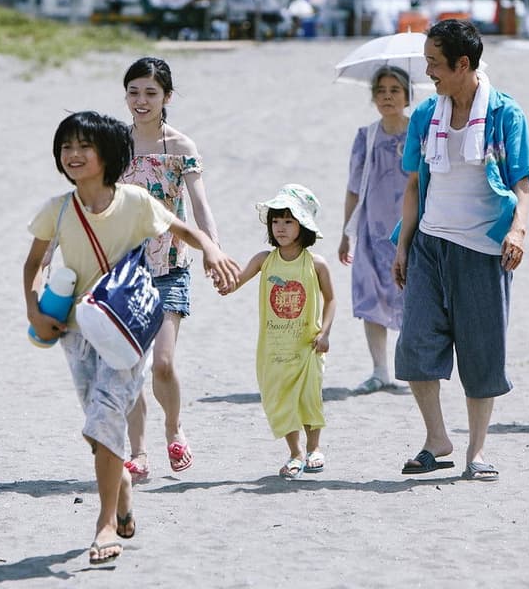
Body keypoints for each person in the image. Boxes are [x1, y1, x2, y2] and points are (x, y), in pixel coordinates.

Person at [22, 111, 238, 565]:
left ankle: (103, 526)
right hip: (75, 333)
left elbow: (184, 230)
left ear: (108, 154)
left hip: (123, 333)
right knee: (99, 431)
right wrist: (35, 308)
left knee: (104, 422)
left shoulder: (136, 202)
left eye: (84, 146)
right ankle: (120, 489)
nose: (74, 155)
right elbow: (35, 262)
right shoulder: (58, 208)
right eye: (67, 147)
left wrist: (213, 249)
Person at [390, 19, 529, 482]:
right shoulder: (424, 116)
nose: (428, 71)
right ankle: (438, 439)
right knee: (415, 345)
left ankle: (476, 452)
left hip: (482, 249)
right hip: (430, 245)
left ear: (463, 63)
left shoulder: (505, 114)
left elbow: (522, 183)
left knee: (482, 352)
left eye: (435, 62)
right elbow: (414, 185)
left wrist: (518, 232)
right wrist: (404, 247)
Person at [119, 57, 223, 482]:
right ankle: (139, 452)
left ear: (167, 97)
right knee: (127, 366)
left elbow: (200, 206)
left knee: (162, 363)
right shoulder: (114, 144)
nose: (141, 101)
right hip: (123, 272)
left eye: (151, 93)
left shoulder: (180, 147)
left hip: (171, 267)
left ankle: (173, 426)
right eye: (134, 92)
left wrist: (213, 252)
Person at [221, 184, 336, 479]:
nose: (281, 228)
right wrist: (223, 280)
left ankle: (314, 448)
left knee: (310, 397)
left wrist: (325, 334)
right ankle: (295, 452)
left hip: (307, 345)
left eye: (288, 221)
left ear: (303, 225)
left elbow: (331, 299)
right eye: (276, 221)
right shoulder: (264, 260)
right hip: (274, 348)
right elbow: (235, 283)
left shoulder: (316, 264)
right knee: (281, 399)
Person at [338, 65, 411, 394]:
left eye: (395, 89)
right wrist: (345, 234)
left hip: (410, 230)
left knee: (413, 298)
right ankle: (380, 369)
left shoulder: (419, 134)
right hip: (371, 230)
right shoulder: (366, 136)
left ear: (407, 95)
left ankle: (412, 368)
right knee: (371, 296)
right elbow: (354, 188)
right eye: (381, 90)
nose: (387, 96)